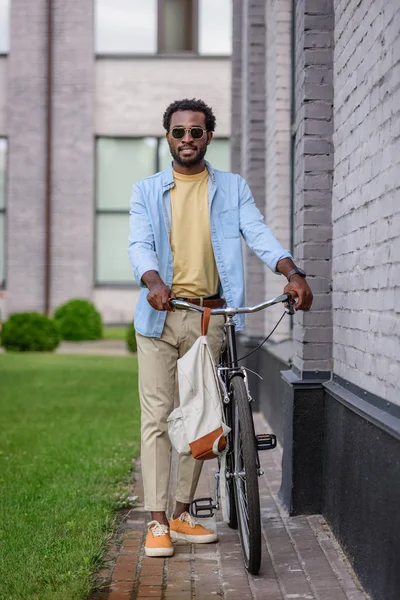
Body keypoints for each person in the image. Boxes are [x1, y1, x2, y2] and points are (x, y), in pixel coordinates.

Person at [128, 98, 313, 557]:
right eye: (178, 132)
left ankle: (181, 512)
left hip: (210, 316)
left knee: (200, 416)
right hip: (159, 316)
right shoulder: (146, 190)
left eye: (195, 132)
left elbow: (259, 233)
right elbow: (139, 243)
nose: (186, 139)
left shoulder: (232, 188)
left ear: (209, 136)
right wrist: (153, 281)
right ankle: (155, 523)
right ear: (167, 136)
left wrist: (292, 273)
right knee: (156, 418)